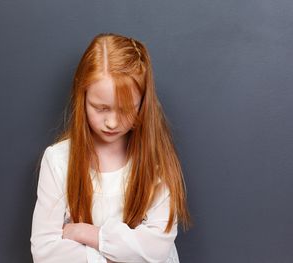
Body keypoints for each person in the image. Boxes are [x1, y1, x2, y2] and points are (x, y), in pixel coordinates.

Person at [30, 33, 192, 263]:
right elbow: (45, 252)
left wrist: (89, 234)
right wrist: (121, 255)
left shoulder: (156, 162)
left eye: (125, 109)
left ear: (143, 103)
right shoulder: (57, 160)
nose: (113, 122)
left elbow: (156, 250)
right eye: (101, 108)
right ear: (82, 97)